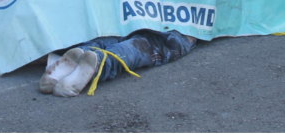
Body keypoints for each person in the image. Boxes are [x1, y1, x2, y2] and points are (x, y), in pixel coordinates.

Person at [40, 31, 196, 97]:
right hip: (171, 26)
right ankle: (99, 62)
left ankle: (74, 58)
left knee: (106, 39)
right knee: (136, 48)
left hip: (129, 10)